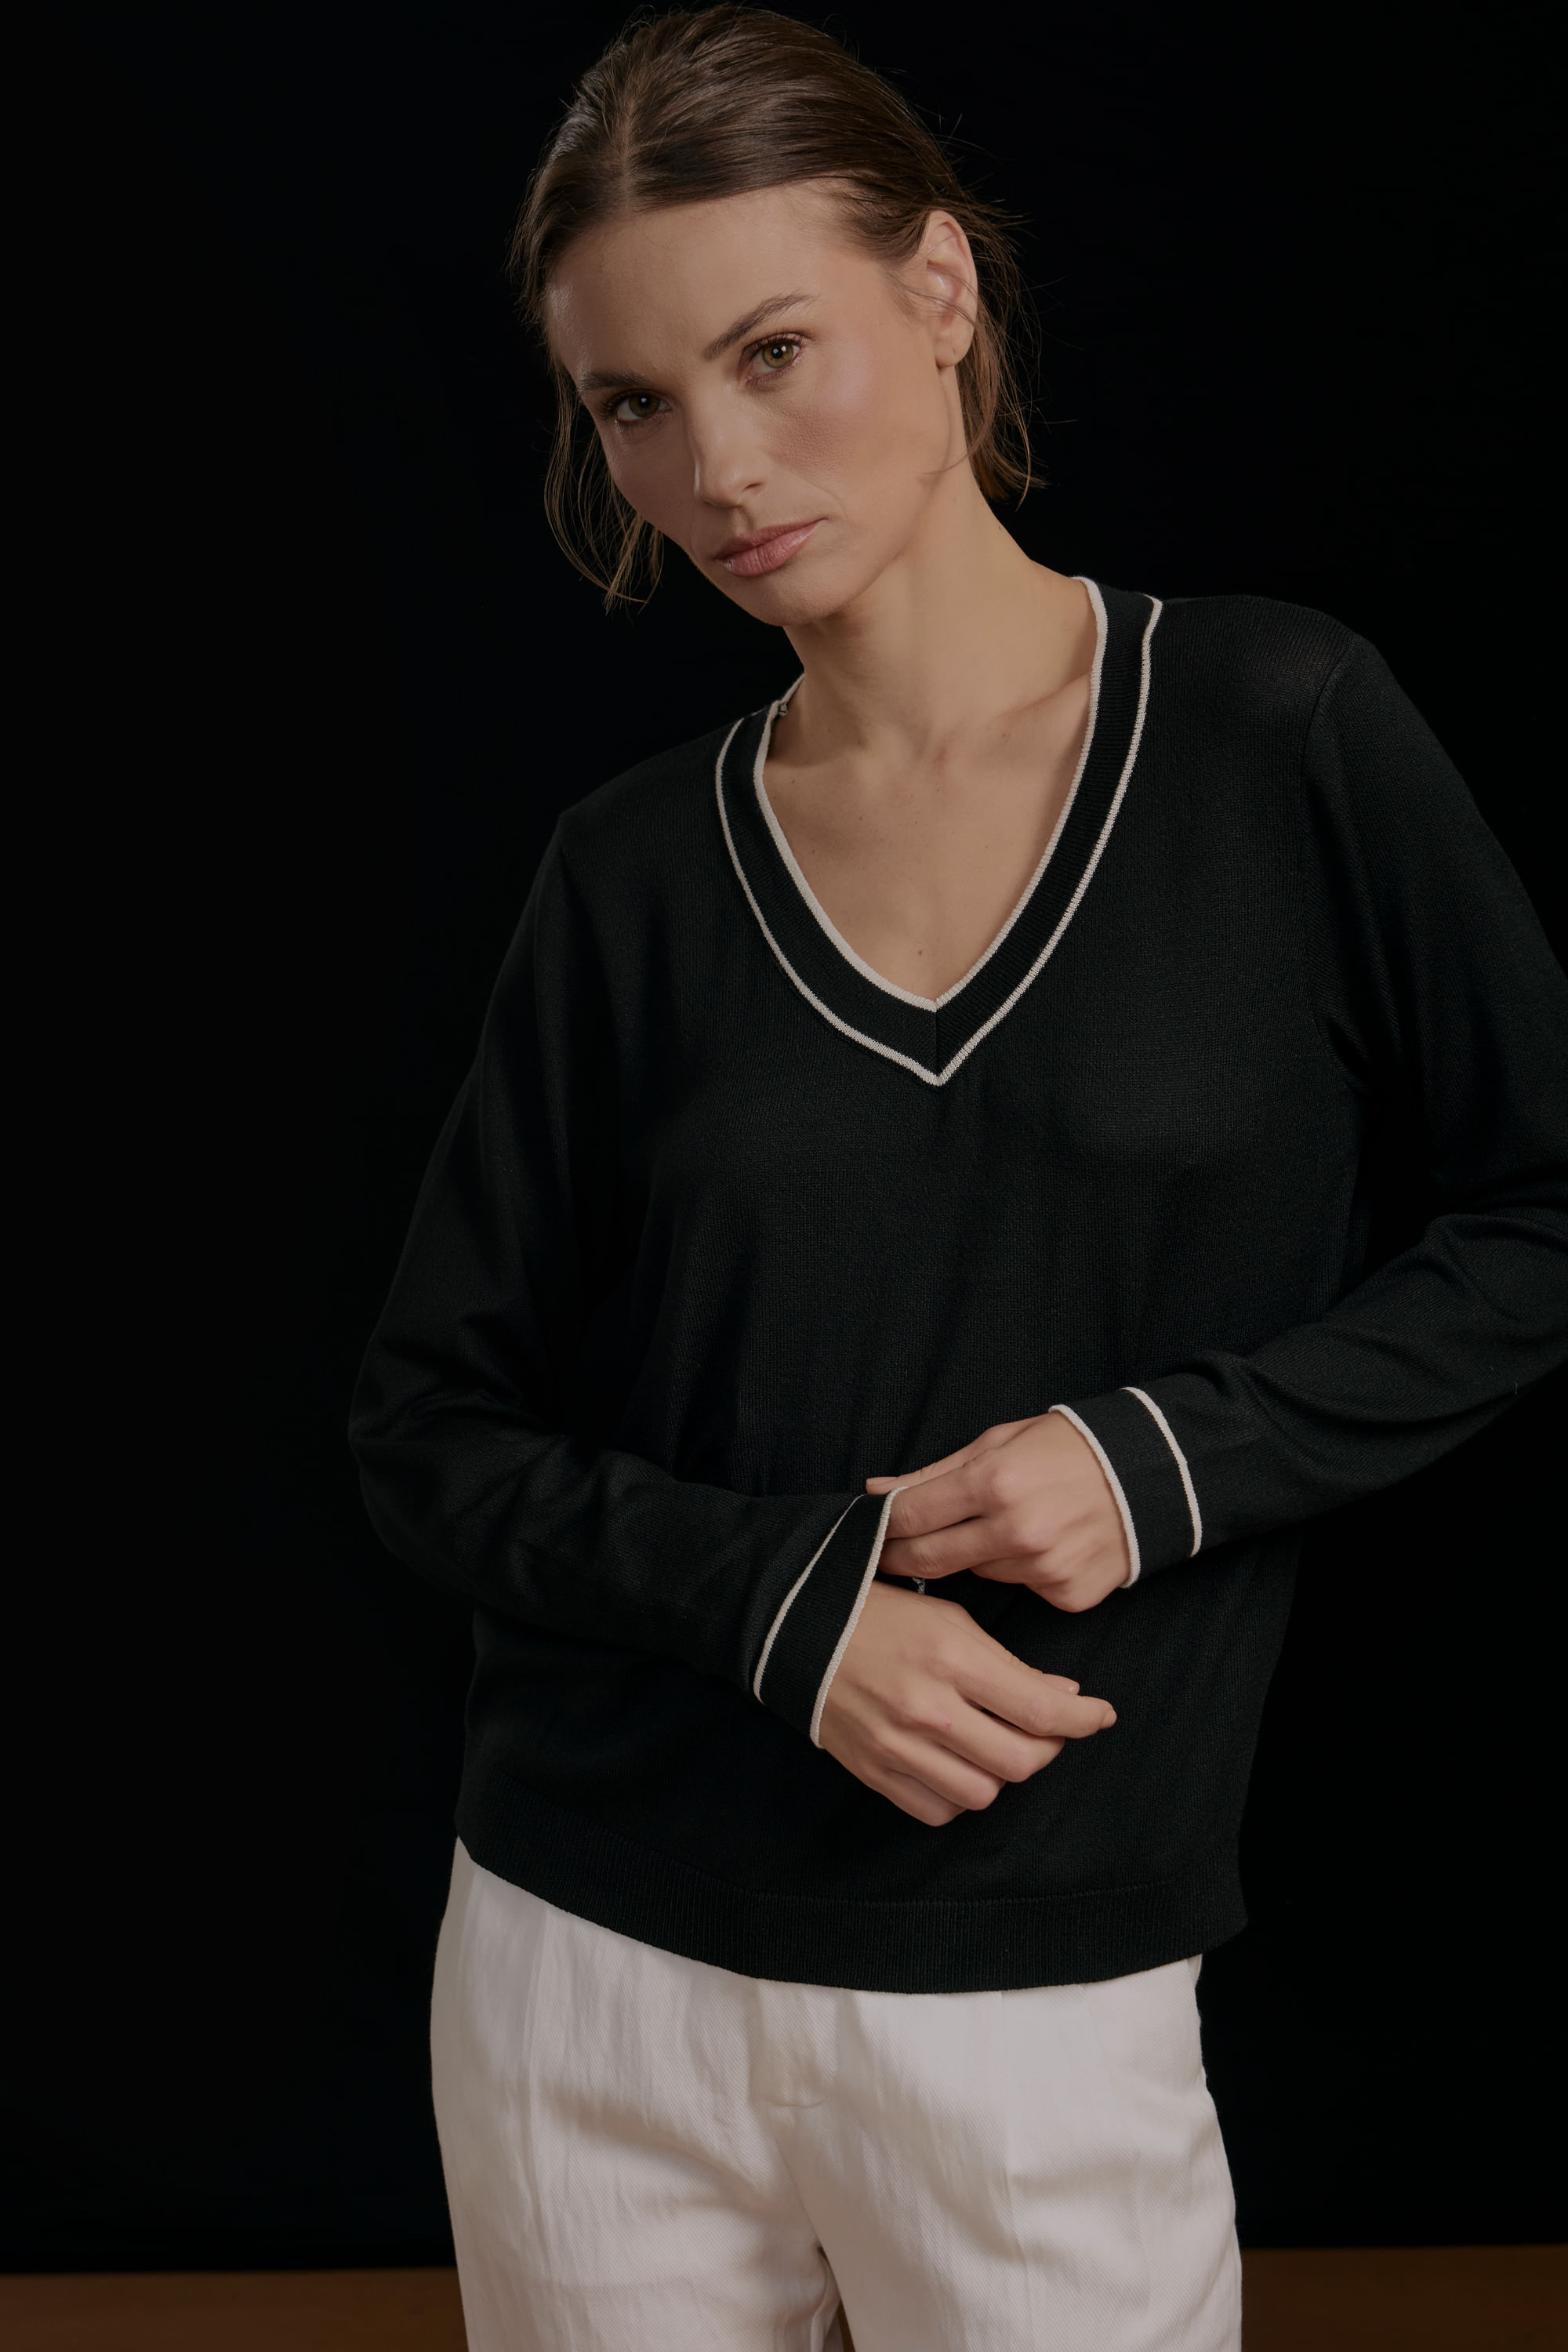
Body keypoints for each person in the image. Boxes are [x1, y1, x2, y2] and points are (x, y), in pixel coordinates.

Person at [349, 10, 1568, 2348]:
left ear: (938, 290)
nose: (715, 465)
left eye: (771, 351)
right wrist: (786, 1610)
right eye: (632, 403)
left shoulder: (1280, 732)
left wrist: (1168, 1459)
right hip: (585, 1969)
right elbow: (429, 1429)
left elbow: (1542, 1221)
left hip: (1036, 1986)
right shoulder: (629, 874)